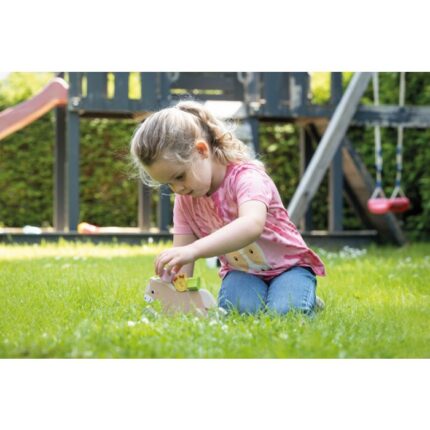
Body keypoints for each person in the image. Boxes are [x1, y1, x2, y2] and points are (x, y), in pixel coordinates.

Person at [130, 100, 326, 315]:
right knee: (237, 312)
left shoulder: (247, 178)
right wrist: (176, 289)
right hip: (243, 273)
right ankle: (287, 296)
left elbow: (251, 225)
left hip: (289, 268)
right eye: (169, 184)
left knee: (285, 313)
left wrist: (194, 250)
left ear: (201, 150)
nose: (177, 189)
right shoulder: (185, 200)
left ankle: (303, 296)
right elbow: (182, 262)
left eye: (179, 176)